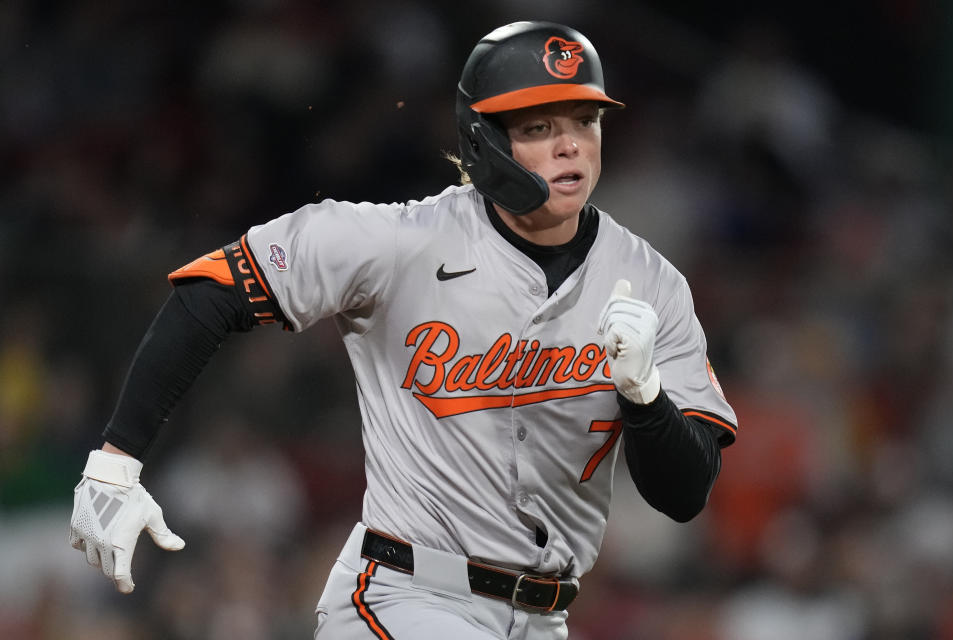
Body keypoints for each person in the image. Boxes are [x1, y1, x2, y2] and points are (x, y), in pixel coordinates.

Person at [68, 21, 737, 639]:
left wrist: (645, 396)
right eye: (539, 125)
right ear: (485, 140)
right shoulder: (402, 243)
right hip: (405, 598)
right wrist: (115, 461)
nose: (570, 145)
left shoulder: (650, 281)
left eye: (584, 120)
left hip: (544, 617)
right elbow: (210, 292)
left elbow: (684, 495)